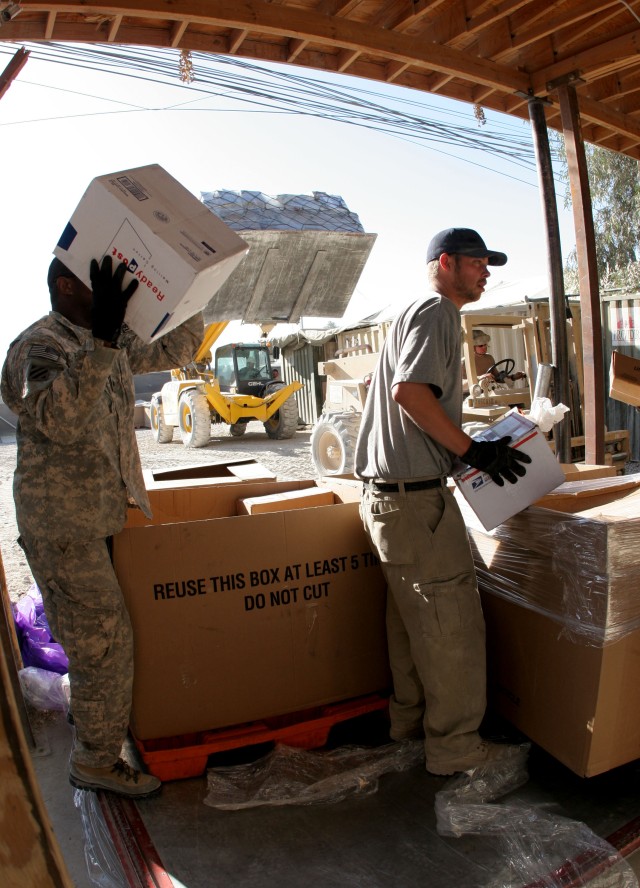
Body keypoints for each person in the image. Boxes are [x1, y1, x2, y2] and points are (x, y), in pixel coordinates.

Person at [1, 254, 204, 798]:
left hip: (99, 518)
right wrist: (107, 341)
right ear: (67, 287)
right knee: (103, 647)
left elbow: (176, 349)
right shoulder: (36, 347)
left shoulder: (103, 339)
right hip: (63, 527)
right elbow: (58, 419)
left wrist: (190, 293)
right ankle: (95, 761)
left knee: (102, 641)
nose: (114, 296)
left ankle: (98, 734)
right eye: (101, 286)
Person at [354, 227, 531, 776]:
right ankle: (456, 749)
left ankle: (409, 727)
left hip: (388, 502)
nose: (485, 273)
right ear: (447, 262)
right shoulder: (436, 311)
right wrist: (472, 451)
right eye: (478, 263)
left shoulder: (410, 311)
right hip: (414, 504)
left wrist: (463, 446)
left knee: (412, 624)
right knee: (451, 624)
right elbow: (409, 393)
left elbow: (395, 396)